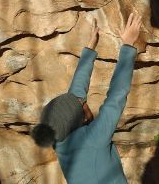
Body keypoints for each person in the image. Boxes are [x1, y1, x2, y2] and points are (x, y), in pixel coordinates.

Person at [31, 13, 143, 183]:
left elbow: (75, 96)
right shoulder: (93, 139)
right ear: (81, 118)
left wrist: (90, 49)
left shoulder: (59, 142)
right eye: (83, 103)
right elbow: (116, 97)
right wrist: (128, 45)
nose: (84, 99)